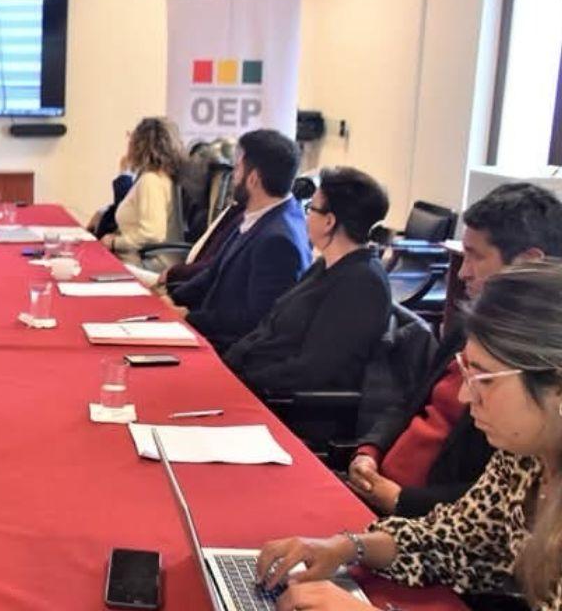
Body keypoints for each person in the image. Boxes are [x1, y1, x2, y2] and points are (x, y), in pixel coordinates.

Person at [256, 261, 562, 610]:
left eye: (485, 380)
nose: (464, 396)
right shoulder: (525, 455)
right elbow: (454, 542)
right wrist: (346, 547)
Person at [349, 182, 562, 517]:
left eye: (476, 257)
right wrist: (369, 450)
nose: (462, 272)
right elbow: (411, 401)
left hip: (422, 514)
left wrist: (402, 501)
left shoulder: (536, 365)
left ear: (528, 261)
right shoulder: (468, 324)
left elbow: (492, 507)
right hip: (381, 496)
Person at [224, 167, 391, 393]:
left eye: (310, 209)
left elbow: (312, 370)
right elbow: (270, 327)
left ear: (329, 222)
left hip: (283, 405)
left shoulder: (361, 284)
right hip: (250, 377)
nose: (305, 216)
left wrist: (242, 382)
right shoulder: (326, 265)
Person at [169, 129, 311, 351]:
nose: (232, 177)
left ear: (253, 179)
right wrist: (171, 298)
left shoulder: (278, 240)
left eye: (237, 169)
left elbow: (255, 318)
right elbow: (214, 272)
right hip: (208, 330)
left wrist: (190, 316)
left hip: (229, 350)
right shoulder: (258, 215)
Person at [99, 117, 185, 268]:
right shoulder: (161, 176)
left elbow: (152, 234)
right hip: (140, 258)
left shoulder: (150, 181)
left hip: (145, 264)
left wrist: (114, 242)